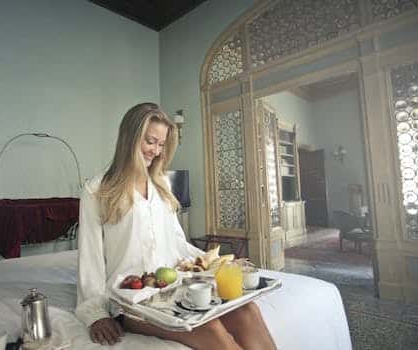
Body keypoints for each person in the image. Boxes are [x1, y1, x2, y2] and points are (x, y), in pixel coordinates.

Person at [76, 102, 276, 350]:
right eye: (150, 142)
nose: (156, 152)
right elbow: (90, 259)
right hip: (131, 300)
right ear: (129, 138)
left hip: (174, 288)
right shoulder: (97, 190)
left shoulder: (161, 185)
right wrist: (96, 314)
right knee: (210, 328)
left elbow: (178, 244)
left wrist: (218, 263)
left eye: (161, 145)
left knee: (247, 310)